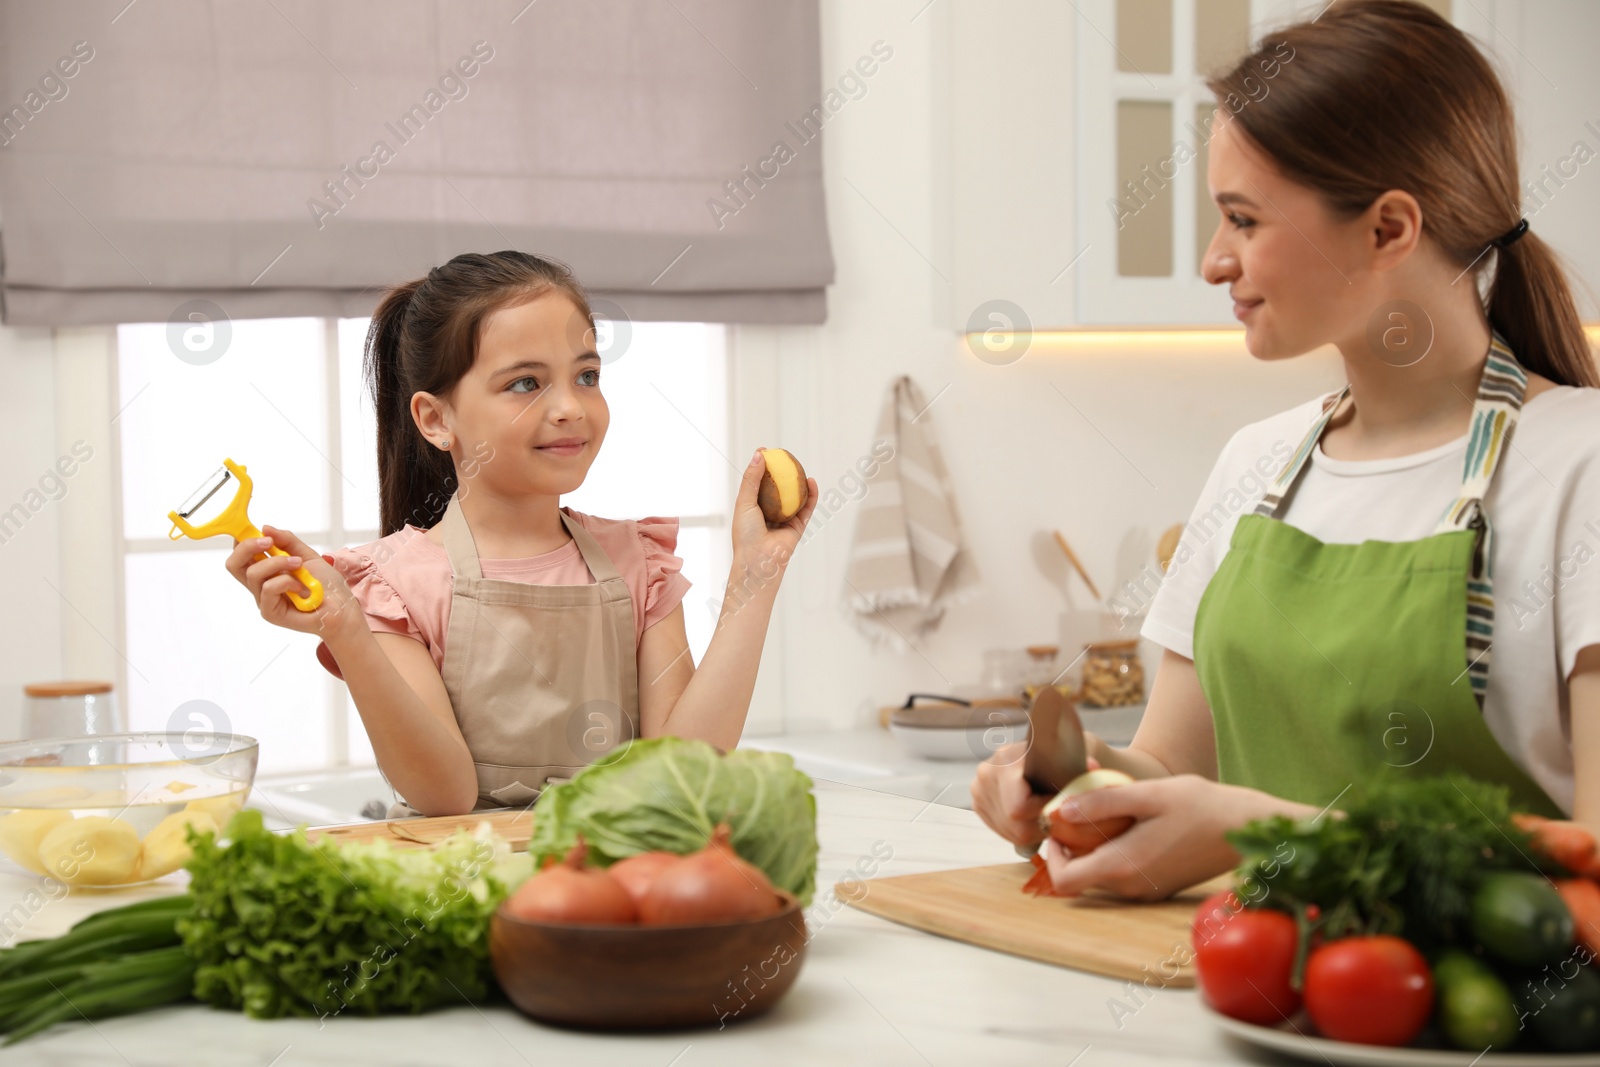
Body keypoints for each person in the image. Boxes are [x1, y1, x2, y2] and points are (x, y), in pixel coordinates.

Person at [972, 0, 1600, 899]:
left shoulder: (1581, 467)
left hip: (1475, 1029)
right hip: (1246, 999)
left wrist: (1257, 833)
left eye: (1244, 220)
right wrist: (1079, 787)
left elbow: (1592, 861)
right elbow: (1171, 772)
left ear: (1388, 229)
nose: (1212, 261)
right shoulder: (1256, 463)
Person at [225, 250, 816, 816]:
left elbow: (687, 774)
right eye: (526, 384)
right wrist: (345, 629)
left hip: (610, 893)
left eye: (586, 376)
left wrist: (755, 576)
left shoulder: (638, 563)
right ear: (436, 419)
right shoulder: (392, 588)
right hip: (460, 894)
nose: (570, 407)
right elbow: (444, 794)